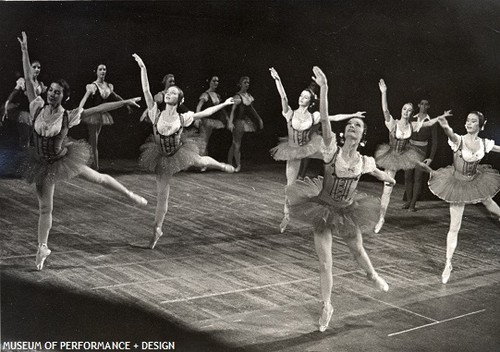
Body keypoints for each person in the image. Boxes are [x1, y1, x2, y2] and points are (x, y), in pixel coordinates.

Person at [17, 32, 147, 270]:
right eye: (51, 90)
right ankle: (42, 247)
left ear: (63, 96)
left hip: (62, 158)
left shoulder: (69, 115)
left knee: (97, 178)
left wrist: (124, 102)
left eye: (57, 92)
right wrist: (25, 51)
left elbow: (99, 107)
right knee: (45, 208)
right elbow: (27, 77)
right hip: (41, 162)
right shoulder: (36, 105)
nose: (52, 94)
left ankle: (129, 195)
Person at [285, 67, 396, 332]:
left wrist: (387, 178)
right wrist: (324, 89)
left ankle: (372, 275)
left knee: (358, 250)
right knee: (326, 263)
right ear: (344, 134)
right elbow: (324, 120)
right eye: (349, 125)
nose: (352, 126)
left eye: (357, 125)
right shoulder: (331, 151)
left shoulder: (364, 161)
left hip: (347, 211)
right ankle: (327, 306)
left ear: (362, 136)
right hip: (322, 209)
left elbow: (377, 171)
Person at [133, 54, 236, 249]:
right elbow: (146, 90)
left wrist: (223, 104)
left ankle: (221, 165)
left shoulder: (184, 117)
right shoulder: (155, 112)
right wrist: (143, 67)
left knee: (200, 161)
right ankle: (157, 229)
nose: (169, 94)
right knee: (162, 197)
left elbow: (205, 113)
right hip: (161, 157)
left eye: (173, 93)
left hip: (180, 151)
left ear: (179, 99)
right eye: (168, 92)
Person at [269, 67, 365, 233]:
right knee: (290, 184)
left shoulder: (313, 116)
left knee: (333, 158)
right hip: (292, 150)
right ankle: (286, 214)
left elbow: (332, 117)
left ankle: (345, 181)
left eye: (305, 97)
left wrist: (352, 114)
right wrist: (278, 80)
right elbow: (283, 97)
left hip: (309, 147)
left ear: (310, 101)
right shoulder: (289, 114)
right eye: (300, 96)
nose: (301, 99)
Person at [426, 112, 500, 284]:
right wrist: (444, 125)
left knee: (489, 202)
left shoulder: (483, 143)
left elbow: (498, 149)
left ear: (480, 125)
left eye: (473, 121)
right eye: (467, 120)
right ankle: (448, 263)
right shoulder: (458, 140)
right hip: (457, 184)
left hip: (475, 180)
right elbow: (450, 133)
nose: (469, 123)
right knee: (455, 227)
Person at [374, 79, 451, 233]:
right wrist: (384, 93)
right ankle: (381, 218)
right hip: (392, 156)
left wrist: (441, 116)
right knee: (388, 188)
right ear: (401, 110)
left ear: (411, 113)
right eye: (404, 109)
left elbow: (428, 124)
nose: (406, 111)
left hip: (406, 154)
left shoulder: (413, 125)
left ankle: (436, 176)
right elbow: (385, 109)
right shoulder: (392, 123)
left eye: (409, 110)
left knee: (421, 167)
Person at [78, 64, 131, 170]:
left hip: (101, 115)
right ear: (96, 72)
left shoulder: (108, 86)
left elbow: (115, 96)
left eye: (104, 69)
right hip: (92, 115)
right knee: (93, 141)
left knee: (93, 140)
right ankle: (95, 167)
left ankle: (87, 164)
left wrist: (126, 104)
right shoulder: (93, 86)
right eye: (100, 69)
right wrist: (79, 110)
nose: (102, 71)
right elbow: (84, 98)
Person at [403, 99, 438, 211]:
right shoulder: (411, 118)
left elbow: (435, 141)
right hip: (409, 149)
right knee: (407, 176)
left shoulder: (431, 121)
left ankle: (413, 204)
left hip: (422, 151)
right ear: (418, 105)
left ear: (428, 106)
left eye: (426, 104)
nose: (423, 106)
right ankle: (408, 201)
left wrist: (431, 157)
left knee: (417, 177)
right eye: (421, 104)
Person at [6, 61, 46, 149]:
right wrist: (6, 106)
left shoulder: (40, 84)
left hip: (36, 115)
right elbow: (13, 94)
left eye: (39, 67)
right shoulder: (23, 81)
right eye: (34, 67)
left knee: (34, 139)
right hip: (25, 113)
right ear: (29, 68)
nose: (37, 69)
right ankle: (22, 160)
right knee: (25, 139)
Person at [227, 76, 263, 172]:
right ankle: (238, 164)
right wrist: (230, 122)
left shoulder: (248, 96)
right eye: (245, 82)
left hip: (245, 121)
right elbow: (233, 110)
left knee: (234, 143)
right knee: (237, 143)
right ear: (240, 84)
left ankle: (229, 162)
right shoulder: (238, 96)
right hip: (238, 121)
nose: (247, 84)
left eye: (248, 83)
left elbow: (252, 109)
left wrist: (259, 119)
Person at [196, 75, 228, 157]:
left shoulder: (217, 95)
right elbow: (199, 106)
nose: (216, 83)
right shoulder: (205, 94)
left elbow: (221, 108)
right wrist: (197, 118)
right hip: (206, 121)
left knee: (207, 141)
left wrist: (227, 119)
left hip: (213, 121)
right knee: (204, 140)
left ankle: (204, 161)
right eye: (214, 81)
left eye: (217, 81)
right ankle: (201, 161)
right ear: (209, 82)